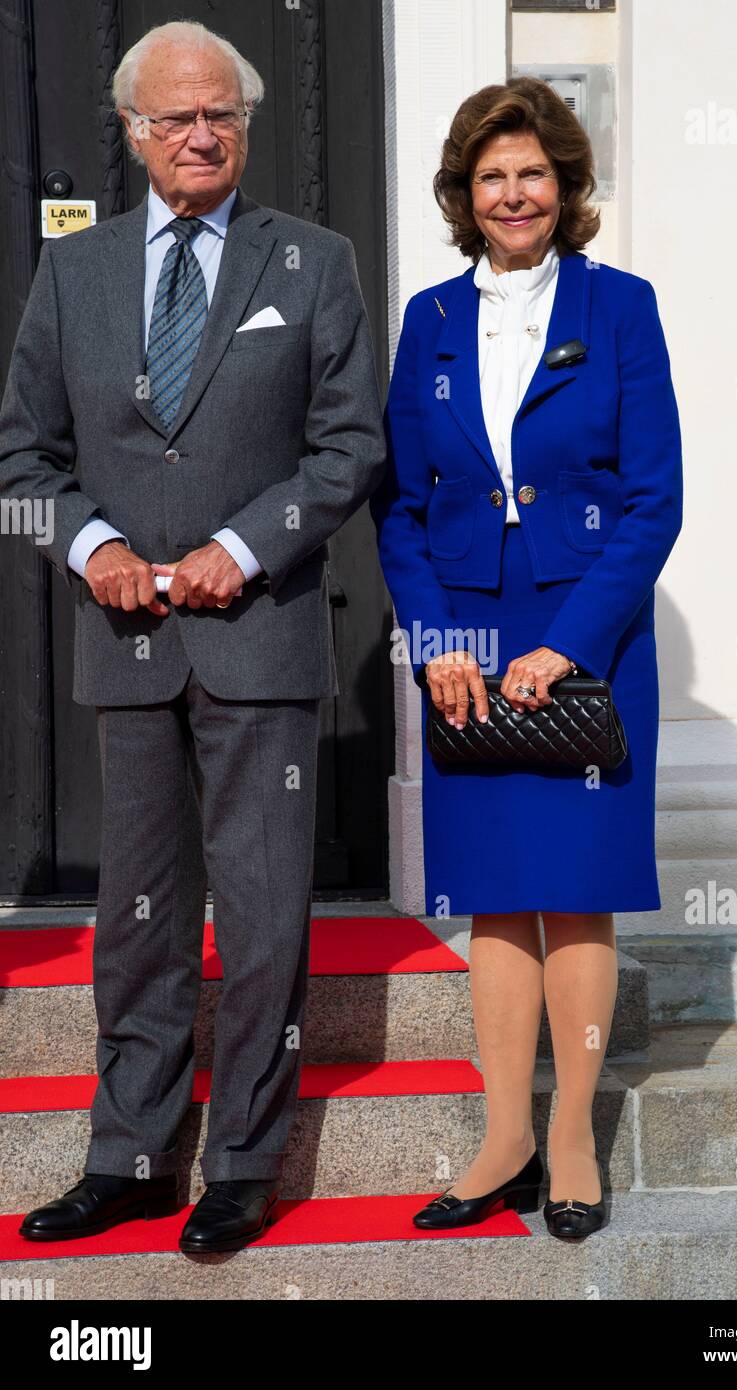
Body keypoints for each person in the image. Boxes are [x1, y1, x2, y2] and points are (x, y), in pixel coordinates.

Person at [0, 20, 386, 1253]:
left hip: (261, 639)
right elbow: (19, 461)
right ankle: (128, 1154)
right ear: (132, 132)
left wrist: (248, 543)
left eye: (219, 112)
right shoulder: (77, 274)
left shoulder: (313, 262)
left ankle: (241, 1165)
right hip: (130, 648)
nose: (201, 134)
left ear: (246, 122)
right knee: (140, 916)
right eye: (174, 119)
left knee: (266, 915)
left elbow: (349, 449)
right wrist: (92, 546)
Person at [371, 76, 682, 1240]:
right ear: (467, 193)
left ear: (566, 186)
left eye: (534, 174)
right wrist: (439, 642)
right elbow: (399, 502)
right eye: (493, 176)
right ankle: (503, 1135)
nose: (515, 194)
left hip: (587, 632)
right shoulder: (430, 321)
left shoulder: (623, 308)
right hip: (467, 636)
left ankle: (569, 1141)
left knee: (578, 895)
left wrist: (567, 643)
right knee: (495, 900)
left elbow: (654, 502)